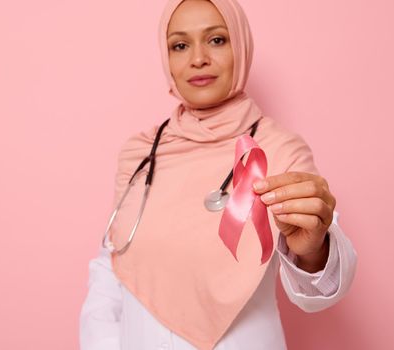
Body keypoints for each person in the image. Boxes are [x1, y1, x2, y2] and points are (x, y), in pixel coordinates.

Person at [79, 0, 357, 349]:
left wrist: (314, 250)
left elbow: (321, 285)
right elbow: (111, 266)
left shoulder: (279, 149)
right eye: (180, 45)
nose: (198, 58)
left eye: (216, 40)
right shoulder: (140, 153)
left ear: (240, 46)